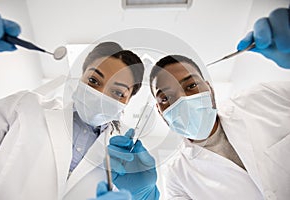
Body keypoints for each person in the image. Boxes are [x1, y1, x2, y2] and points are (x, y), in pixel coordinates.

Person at [108, 5, 290, 200]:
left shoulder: (263, 97)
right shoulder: (177, 177)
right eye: (165, 98)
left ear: (210, 90)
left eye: (191, 85)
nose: (182, 99)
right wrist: (143, 196)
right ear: (161, 113)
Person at [0, 7, 144, 200]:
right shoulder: (26, 104)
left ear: (127, 101)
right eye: (94, 81)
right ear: (80, 78)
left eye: (117, 92)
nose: (100, 94)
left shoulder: (119, 161)